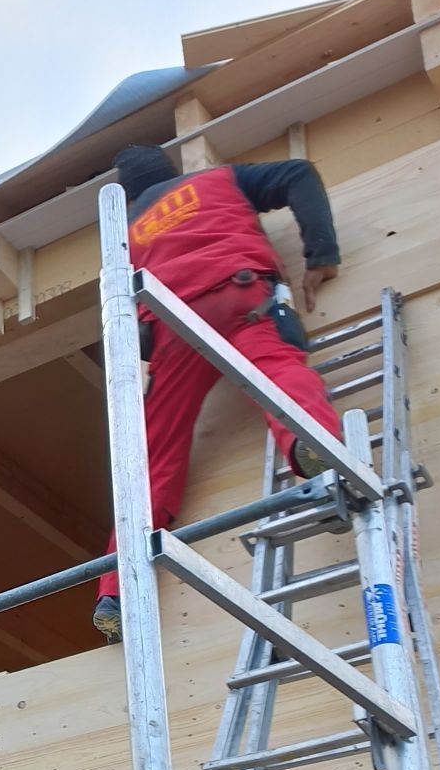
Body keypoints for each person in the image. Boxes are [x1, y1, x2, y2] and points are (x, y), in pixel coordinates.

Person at [92, 143, 345, 644]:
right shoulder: (220, 180)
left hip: (173, 327)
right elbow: (298, 173)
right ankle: (307, 441)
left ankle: (116, 592)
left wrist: (152, 348)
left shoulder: (125, 231)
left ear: (131, 191)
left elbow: (126, 319)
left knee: (153, 459)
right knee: (276, 368)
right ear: (172, 172)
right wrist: (322, 255)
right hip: (238, 290)